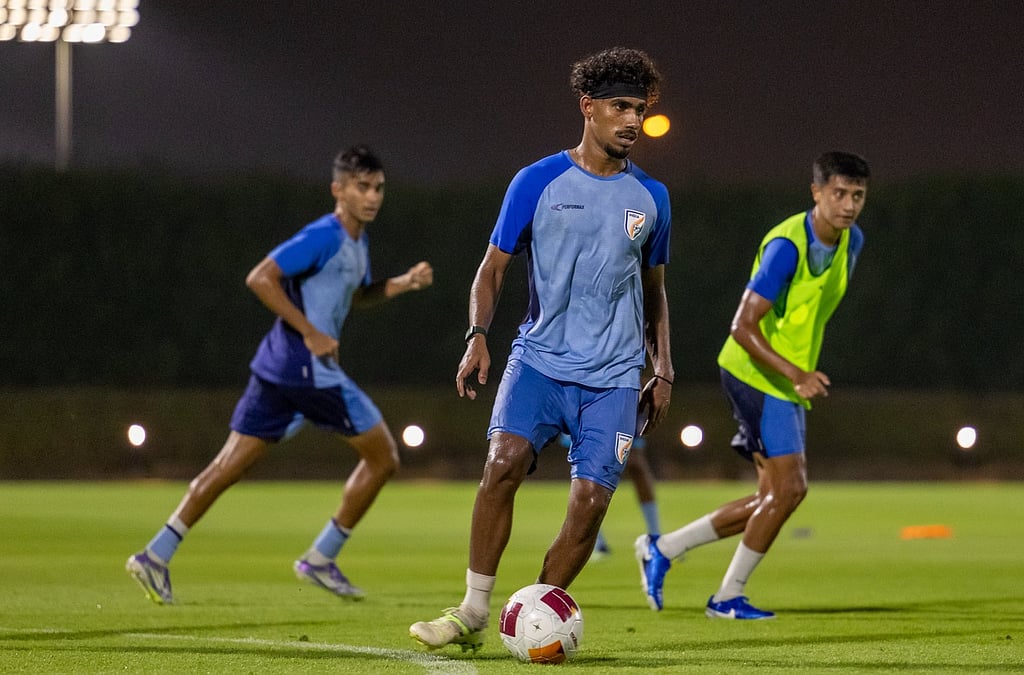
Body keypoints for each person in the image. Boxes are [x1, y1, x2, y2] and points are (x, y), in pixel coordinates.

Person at [409, 46, 673, 652]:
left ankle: (533, 618)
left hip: (613, 377)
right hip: (540, 362)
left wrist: (663, 370)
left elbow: (656, 293)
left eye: (639, 109)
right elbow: (491, 269)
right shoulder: (536, 181)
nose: (632, 120)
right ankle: (475, 610)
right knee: (502, 463)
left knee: (589, 503)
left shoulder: (653, 197)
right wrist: (477, 336)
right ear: (588, 108)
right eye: (619, 107)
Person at [125, 145, 434, 604]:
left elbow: (355, 295)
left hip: (277, 369)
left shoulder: (357, 241)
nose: (372, 196)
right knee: (384, 456)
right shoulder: (323, 236)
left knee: (229, 465)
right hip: (308, 371)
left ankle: (156, 554)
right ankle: (321, 558)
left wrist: (402, 284)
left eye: (379, 188)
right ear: (338, 190)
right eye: (362, 187)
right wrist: (310, 332)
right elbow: (260, 277)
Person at [636, 151, 869, 620]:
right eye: (839, 193)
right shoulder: (788, 246)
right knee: (790, 490)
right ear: (816, 193)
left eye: (858, 196)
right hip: (755, 373)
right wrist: (795, 373)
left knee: (773, 497)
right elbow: (742, 326)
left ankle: (663, 547)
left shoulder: (852, 241)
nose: (848, 205)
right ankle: (726, 597)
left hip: (784, 378)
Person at [555, 432, 660, 561]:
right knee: (584, 462)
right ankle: (596, 543)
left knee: (635, 462)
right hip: (583, 412)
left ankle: (656, 537)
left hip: (620, 411)